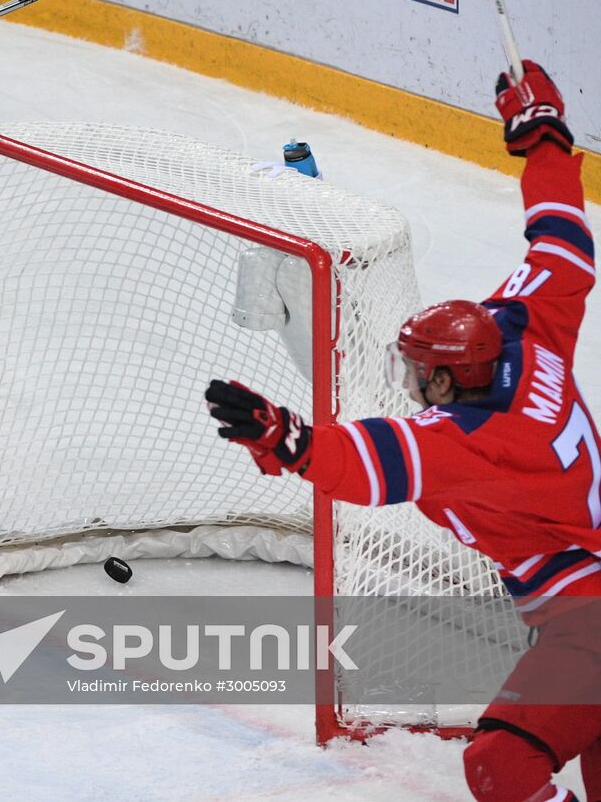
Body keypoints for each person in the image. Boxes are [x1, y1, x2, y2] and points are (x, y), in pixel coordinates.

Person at [206, 61, 598, 802]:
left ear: (450, 380)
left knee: (499, 766)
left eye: (420, 373)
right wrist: (544, 138)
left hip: (589, 624)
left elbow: (364, 460)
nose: (411, 382)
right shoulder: (525, 331)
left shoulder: (475, 442)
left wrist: (285, 437)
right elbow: (562, 247)